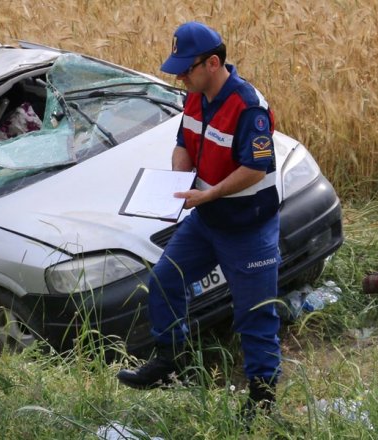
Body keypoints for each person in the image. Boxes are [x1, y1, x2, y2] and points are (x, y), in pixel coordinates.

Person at [116, 21, 282, 419]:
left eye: (185, 69)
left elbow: (256, 168)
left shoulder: (249, 106)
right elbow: (183, 143)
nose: (178, 76)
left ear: (212, 62)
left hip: (247, 226)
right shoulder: (195, 96)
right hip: (207, 219)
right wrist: (178, 176)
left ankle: (261, 403)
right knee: (164, 279)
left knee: (255, 315)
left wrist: (209, 192)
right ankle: (170, 362)